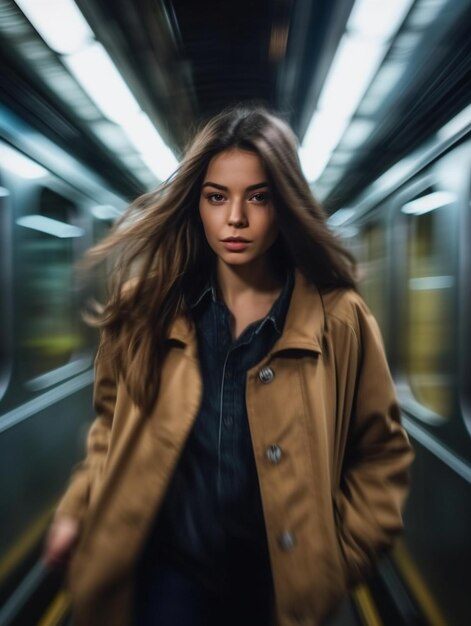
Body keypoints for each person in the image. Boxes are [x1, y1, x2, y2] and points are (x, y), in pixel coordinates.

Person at [43, 105, 414, 626]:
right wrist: (79, 510)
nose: (234, 219)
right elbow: (111, 425)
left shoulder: (340, 321)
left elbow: (380, 454)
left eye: (257, 197)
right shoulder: (146, 310)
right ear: (197, 203)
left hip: (277, 593)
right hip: (165, 578)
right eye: (217, 197)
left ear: (284, 205)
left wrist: (338, 559)